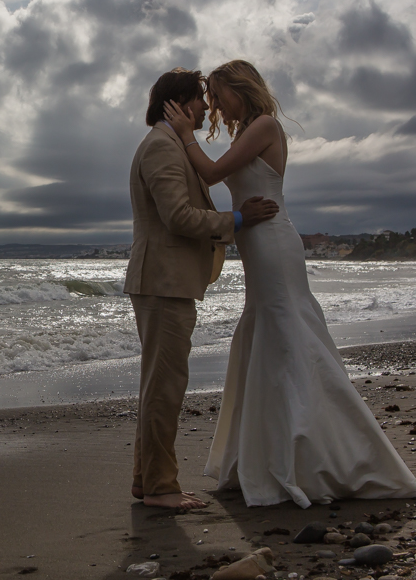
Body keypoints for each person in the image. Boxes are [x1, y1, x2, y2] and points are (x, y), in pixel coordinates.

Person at [163, 59, 416, 508]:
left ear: (241, 90)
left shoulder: (264, 125)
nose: (215, 106)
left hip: (272, 242)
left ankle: (313, 453)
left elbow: (209, 172)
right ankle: (268, 453)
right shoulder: (250, 129)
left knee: (286, 332)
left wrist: (185, 133)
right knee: (270, 331)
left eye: (220, 95)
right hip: (256, 240)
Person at [124, 68, 279, 510]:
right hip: (162, 282)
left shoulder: (169, 144)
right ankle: (160, 487)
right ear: (179, 104)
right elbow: (180, 218)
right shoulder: (161, 146)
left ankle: (147, 480)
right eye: (199, 99)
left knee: (160, 383)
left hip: (166, 281)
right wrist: (237, 219)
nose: (206, 108)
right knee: (165, 386)